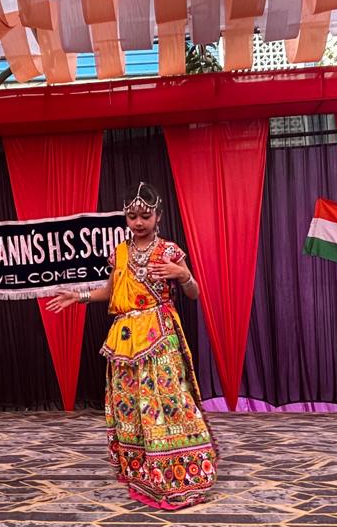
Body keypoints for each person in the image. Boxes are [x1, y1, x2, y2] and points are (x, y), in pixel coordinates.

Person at [47, 183, 216, 510]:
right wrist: (78, 296)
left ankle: (181, 477)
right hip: (125, 338)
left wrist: (183, 275)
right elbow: (110, 291)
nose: (138, 222)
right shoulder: (120, 252)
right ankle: (145, 476)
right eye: (132, 215)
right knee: (132, 405)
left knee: (166, 402)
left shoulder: (169, 251)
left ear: (158, 217)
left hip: (157, 333)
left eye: (145, 216)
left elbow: (194, 293)